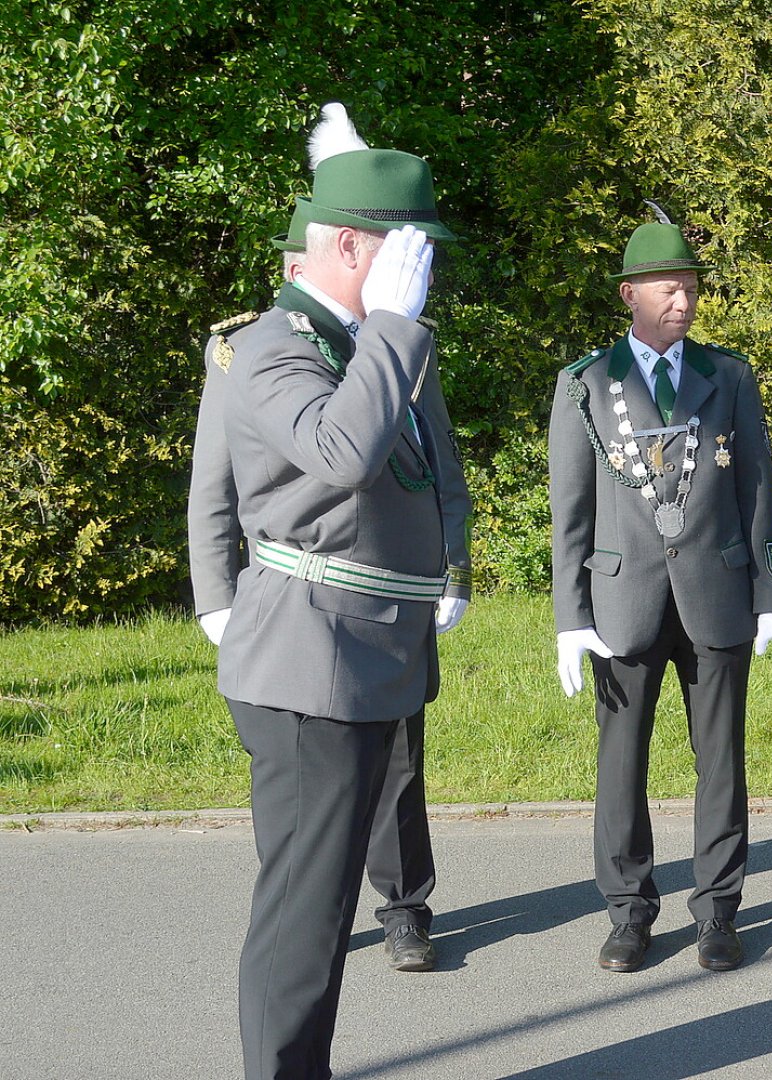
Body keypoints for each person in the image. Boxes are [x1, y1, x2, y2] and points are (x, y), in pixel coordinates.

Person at [188, 102, 459, 1079]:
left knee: (322, 907)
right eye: (403, 244)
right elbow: (343, 454)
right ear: (350, 245)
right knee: (301, 926)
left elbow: (416, 469)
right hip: (311, 664)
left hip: (359, 655)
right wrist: (392, 322)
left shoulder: (356, 342)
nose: (418, 263)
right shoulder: (272, 345)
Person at [548, 214, 772, 975]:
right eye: (669, 287)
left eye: (691, 287)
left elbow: (759, 490)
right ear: (629, 294)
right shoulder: (584, 384)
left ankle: (718, 912)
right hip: (622, 600)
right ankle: (628, 913)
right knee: (620, 763)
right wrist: (571, 617)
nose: (684, 300)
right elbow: (571, 509)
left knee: (720, 761)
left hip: (717, 592)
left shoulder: (727, 376)